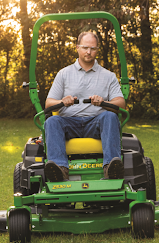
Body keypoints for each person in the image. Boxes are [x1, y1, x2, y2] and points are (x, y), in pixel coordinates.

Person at [44, 31, 126, 182]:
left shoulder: (108, 76)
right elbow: (49, 104)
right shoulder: (64, 74)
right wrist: (62, 101)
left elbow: (121, 104)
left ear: (97, 50)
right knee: (51, 121)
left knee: (110, 115)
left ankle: (111, 168)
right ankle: (59, 170)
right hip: (69, 123)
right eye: (85, 47)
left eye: (93, 48)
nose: (89, 52)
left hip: (96, 122)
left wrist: (103, 103)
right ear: (77, 48)